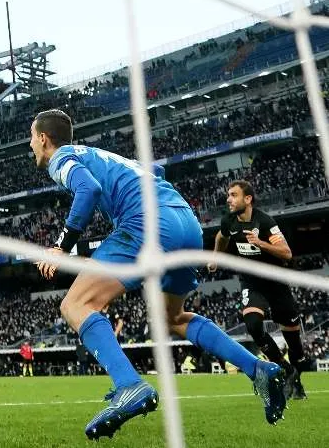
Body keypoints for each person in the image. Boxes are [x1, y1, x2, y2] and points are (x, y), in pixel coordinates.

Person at [30, 109, 286, 439]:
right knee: (172, 317)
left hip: (147, 223)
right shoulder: (105, 156)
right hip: (186, 222)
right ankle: (259, 368)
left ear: (43, 138)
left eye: (31, 140)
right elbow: (155, 170)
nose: (31, 148)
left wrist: (62, 245)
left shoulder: (60, 158)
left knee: (75, 306)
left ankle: (128, 385)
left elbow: (88, 190)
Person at [211, 180, 308, 399]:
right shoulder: (228, 221)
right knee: (253, 325)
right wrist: (215, 257)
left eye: (233, 195)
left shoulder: (265, 222)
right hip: (251, 282)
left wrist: (261, 243)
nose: (228, 199)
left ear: (248, 199)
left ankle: (297, 381)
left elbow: (286, 252)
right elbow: (221, 236)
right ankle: (284, 368)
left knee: (295, 345)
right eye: (228, 195)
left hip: (276, 283)